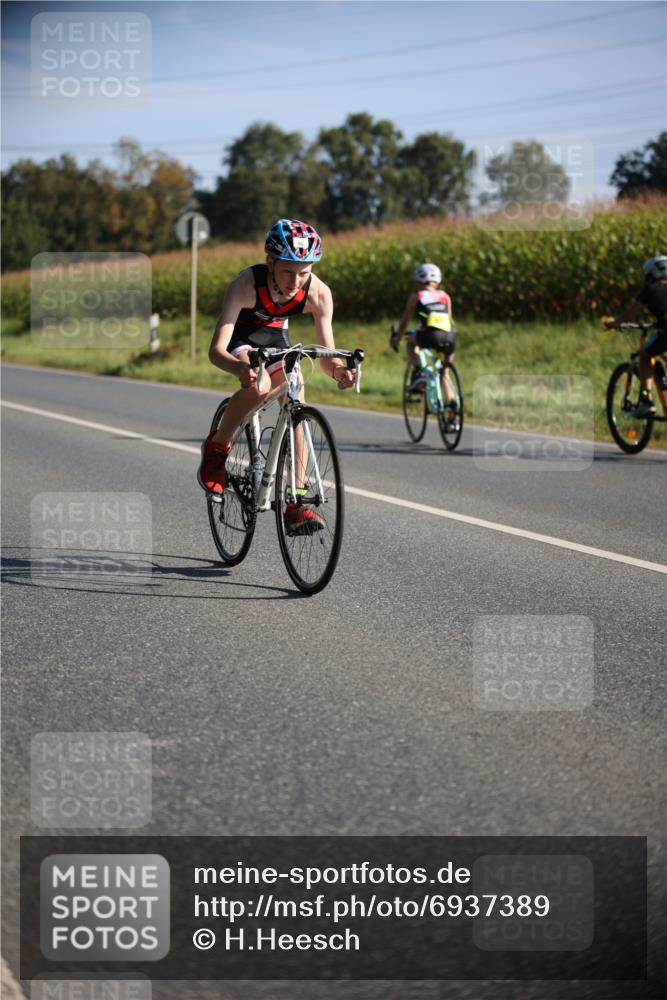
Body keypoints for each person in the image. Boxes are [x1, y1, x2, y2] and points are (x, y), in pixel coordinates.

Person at [197, 219, 354, 531]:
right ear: (270, 262)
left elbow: (327, 355)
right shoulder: (245, 285)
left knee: (296, 387)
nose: (296, 280)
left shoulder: (319, 293)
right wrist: (239, 368)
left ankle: (294, 501)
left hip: (276, 339)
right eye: (286, 271)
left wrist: (338, 371)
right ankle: (217, 447)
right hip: (243, 340)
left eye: (304, 272)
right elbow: (217, 350)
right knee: (261, 385)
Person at [391, 262, 459, 420]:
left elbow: (404, 323)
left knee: (410, 342)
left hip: (429, 335)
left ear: (418, 280)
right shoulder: (445, 296)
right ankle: (452, 409)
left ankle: (419, 373)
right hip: (449, 337)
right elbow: (447, 319)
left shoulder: (417, 296)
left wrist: (397, 338)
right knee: (445, 373)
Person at [604, 255, 667, 417]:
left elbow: (628, 315)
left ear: (652, 274)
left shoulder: (650, 289)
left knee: (645, 356)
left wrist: (614, 323)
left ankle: (646, 401)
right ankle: (661, 377)